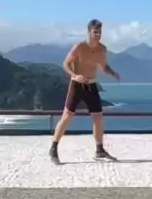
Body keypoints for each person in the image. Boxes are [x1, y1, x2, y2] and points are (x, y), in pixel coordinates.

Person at [49, 19, 120, 163]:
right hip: (77, 85)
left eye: (99, 32)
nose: (98, 35)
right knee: (67, 116)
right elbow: (66, 63)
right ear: (89, 32)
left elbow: (103, 66)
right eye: (95, 32)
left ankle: (99, 150)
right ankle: (53, 148)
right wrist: (75, 75)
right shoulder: (80, 47)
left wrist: (113, 73)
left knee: (98, 118)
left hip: (92, 85)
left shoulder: (102, 49)